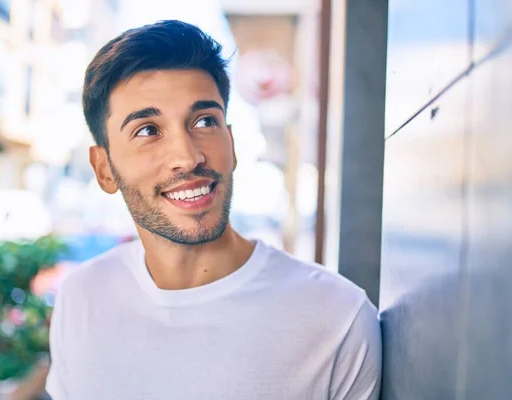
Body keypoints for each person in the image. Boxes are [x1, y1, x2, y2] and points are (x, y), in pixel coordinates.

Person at [46, 20, 381, 399]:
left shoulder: (337, 318)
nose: (188, 157)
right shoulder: (81, 300)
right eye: (147, 130)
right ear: (104, 169)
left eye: (205, 121)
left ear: (232, 143)